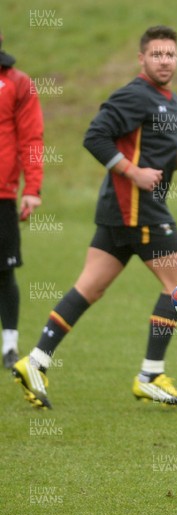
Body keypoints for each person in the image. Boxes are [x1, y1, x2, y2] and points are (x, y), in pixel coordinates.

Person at [13, 25, 177, 409]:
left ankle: (35, 361)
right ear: (142, 58)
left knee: (90, 288)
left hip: (119, 212)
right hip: (138, 210)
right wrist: (133, 174)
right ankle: (150, 374)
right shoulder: (133, 95)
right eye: (157, 54)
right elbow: (94, 136)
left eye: (170, 54)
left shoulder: (173, 100)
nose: (164, 60)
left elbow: (151, 155)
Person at [0, 32, 44, 369]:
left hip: (3, 196)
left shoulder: (18, 83)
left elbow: (31, 137)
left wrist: (32, 188)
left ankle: (9, 347)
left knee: (5, 271)